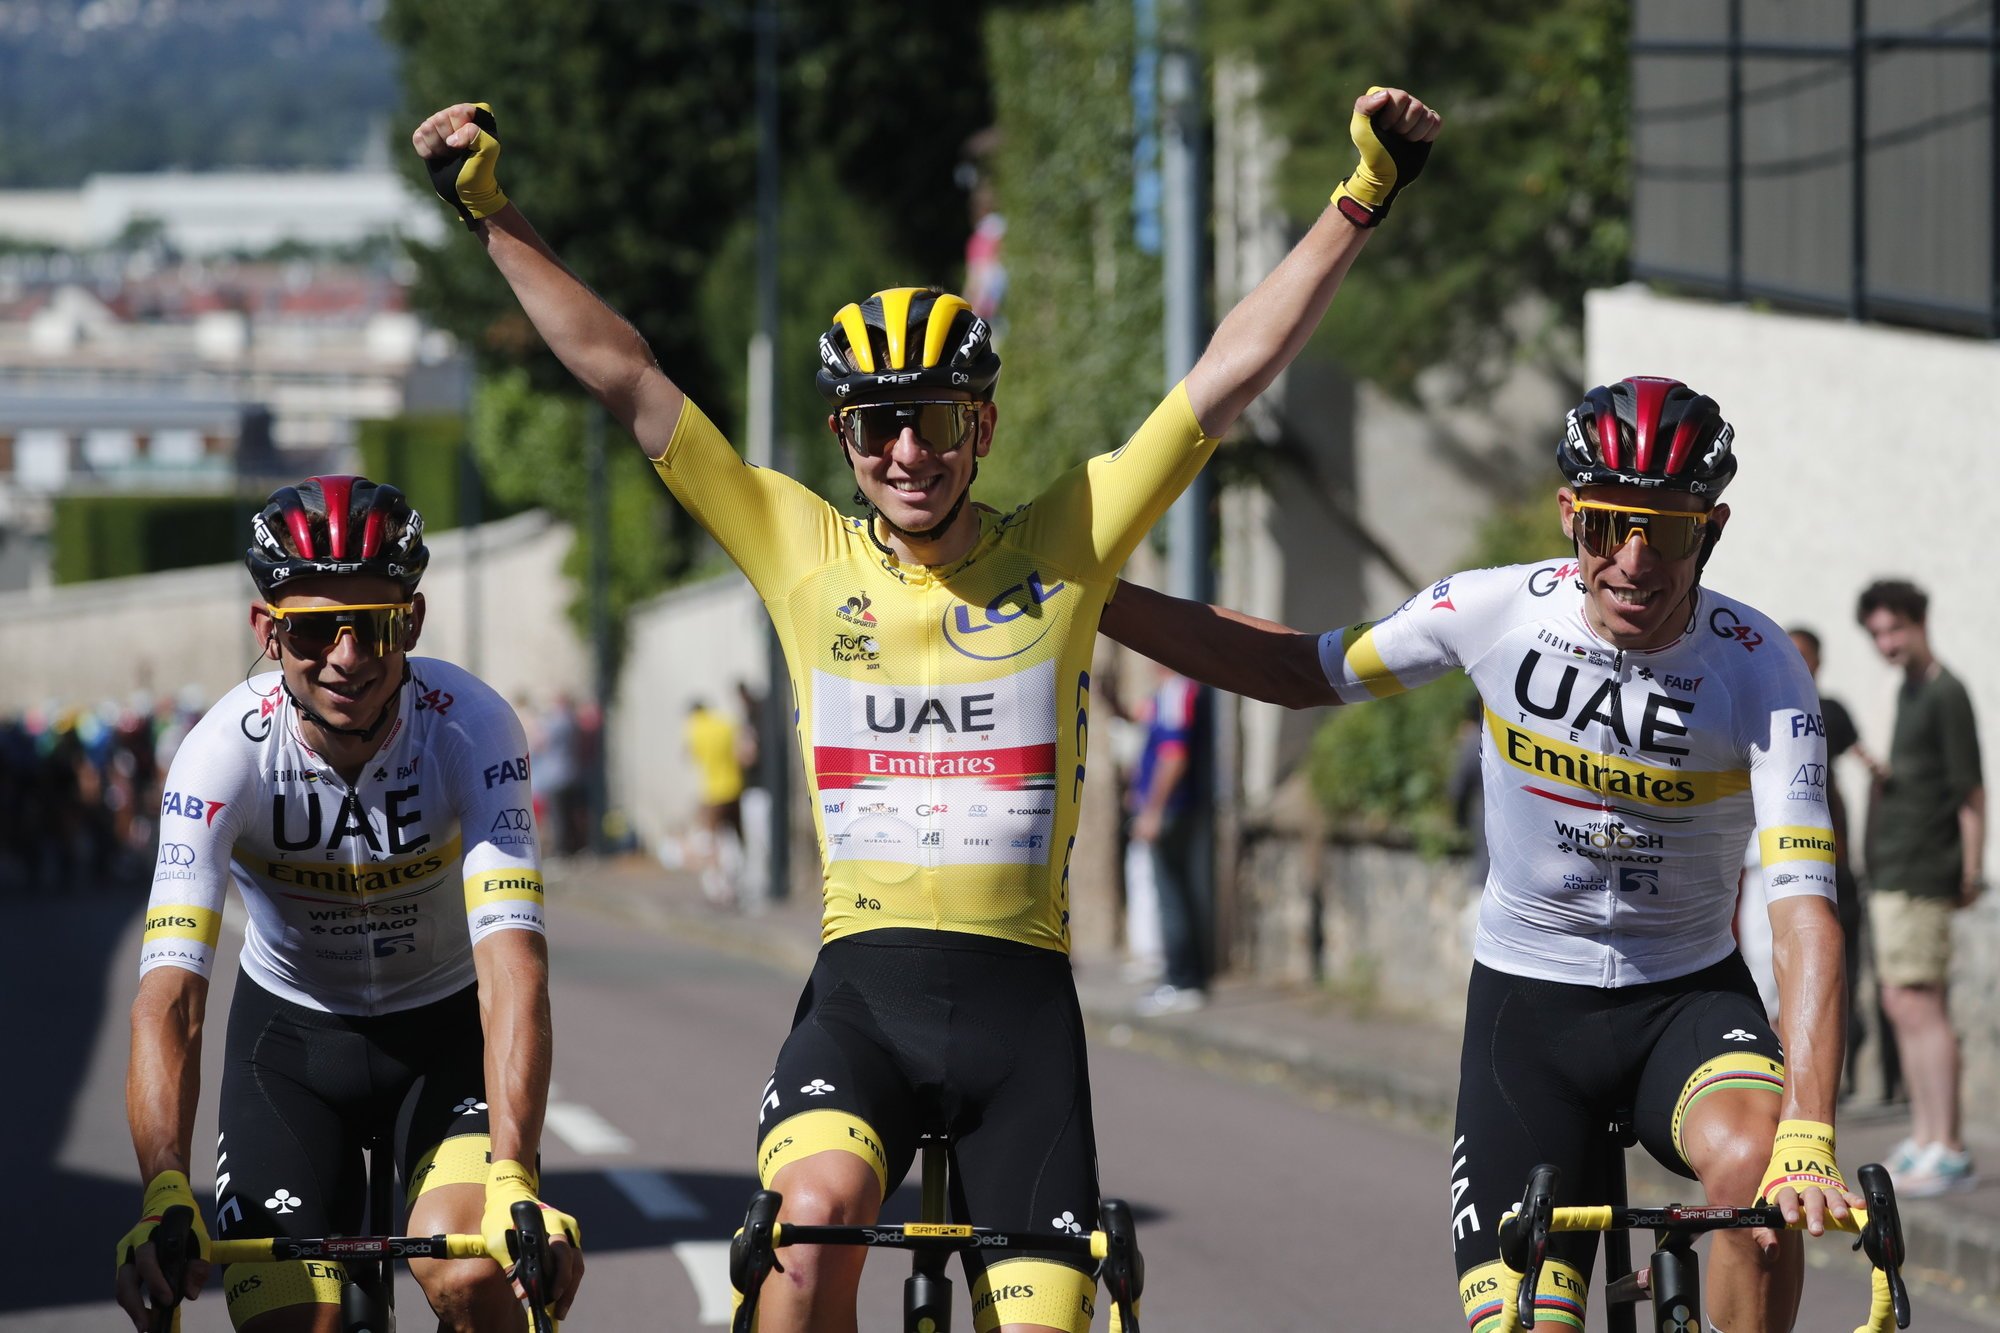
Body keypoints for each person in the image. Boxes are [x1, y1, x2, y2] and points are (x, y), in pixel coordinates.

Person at [414, 85, 1439, 1333]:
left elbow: (1226, 378)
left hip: (1022, 1018)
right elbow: (625, 374)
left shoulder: (1066, 540)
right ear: (844, 440)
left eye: (936, 421)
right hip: (864, 998)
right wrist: (487, 210)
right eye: (876, 426)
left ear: (982, 425)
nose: (908, 452)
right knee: (803, 1245)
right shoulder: (800, 551)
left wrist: (1362, 197)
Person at [1101, 378, 1857, 1333]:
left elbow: (1803, 913)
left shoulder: (1761, 667)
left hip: (1685, 998)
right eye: (1608, 527)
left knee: (1758, 1190)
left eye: (1664, 531)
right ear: (1570, 514)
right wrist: (1097, 598)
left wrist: (1812, 1128)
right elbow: (1301, 669)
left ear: (1710, 529)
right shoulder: (1493, 610)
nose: (1632, 562)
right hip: (1529, 1010)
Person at [114, 476, 582, 1333]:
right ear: (266, 630)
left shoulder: (471, 726)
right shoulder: (221, 755)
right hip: (291, 1044)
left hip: (443, 1040)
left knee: (472, 1270)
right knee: (296, 1321)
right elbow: (171, 997)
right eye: (310, 629)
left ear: (411, 620)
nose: (346, 655)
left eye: (370, 624)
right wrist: (164, 1187)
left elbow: (513, 969)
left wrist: (515, 1175)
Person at [1855, 578, 1983, 1196]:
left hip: (1925, 872)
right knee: (1903, 1005)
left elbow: (1971, 792)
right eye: (1876, 633)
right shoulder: (1903, 692)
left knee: (1920, 1004)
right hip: (1892, 870)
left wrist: (1971, 872)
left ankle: (1949, 1145)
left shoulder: (1945, 694)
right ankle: (1928, 1136)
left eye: (1894, 629)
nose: (1886, 643)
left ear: (1920, 622)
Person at [1787, 626, 1879, 1096]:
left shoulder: (1832, 711)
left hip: (1834, 866)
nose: (1800, 664)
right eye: (1792, 654)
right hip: (1785, 867)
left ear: (1819, 662)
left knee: (1843, 970)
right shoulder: (1773, 709)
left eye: (1807, 656)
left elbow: (1863, 765)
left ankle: (1845, 1079)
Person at [1125, 667, 1210, 1014]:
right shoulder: (1166, 694)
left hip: (1171, 810)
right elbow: (1139, 720)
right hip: (1169, 810)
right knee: (1171, 893)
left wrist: (1153, 810)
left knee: (1171, 895)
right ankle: (1181, 976)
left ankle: (1182, 980)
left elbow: (1174, 754)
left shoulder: (1177, 691)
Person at [684, 697, 748, 906]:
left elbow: (690, 754)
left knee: (711, 841)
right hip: (735, 787)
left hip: (712, 792)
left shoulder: (695, 728)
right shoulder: (725, 723)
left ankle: (719, 889)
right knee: (735, 839)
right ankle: (736, 882)